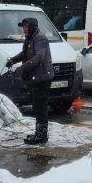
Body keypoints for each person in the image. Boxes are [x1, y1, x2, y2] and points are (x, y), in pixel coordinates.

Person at [5, 17, 54, 145]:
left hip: (42, 78)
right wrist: (13, 60)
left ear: (32, 27)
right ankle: (39, 133)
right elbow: (24, 54)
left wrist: (22, 68)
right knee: (37, 106)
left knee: (40, 107)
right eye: (23, 27)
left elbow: (39, 57)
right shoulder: (30, 38)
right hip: (35, 78)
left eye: (27, 27)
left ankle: (41, 136)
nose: (25, 29)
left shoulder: (40, 38)